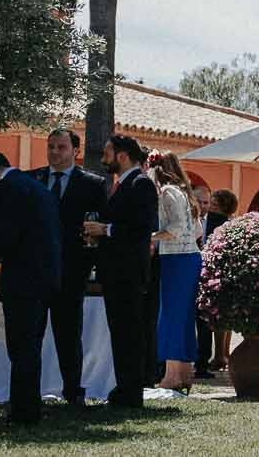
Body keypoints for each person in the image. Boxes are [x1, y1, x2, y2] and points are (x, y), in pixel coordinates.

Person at [29, 126, 108, 410]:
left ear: (75, 151)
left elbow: (98, 228)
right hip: (35, 273)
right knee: (30, 336)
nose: (54, 152)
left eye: (61, 147)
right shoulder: (32, 180)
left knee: (68, 335)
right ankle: (27, 394)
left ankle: (73, 392)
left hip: (71, 273)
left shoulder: (93, 184)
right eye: (51, 146)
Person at [83, 135, 159, 409]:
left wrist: (106, 230)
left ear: (123, 156)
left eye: (107, 153)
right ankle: (124, 387)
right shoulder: (121, 185)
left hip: (129, 272)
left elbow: (142, 227)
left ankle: (131, 392)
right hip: (115, 271)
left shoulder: (141, 184)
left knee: (130, 333)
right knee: (120, 332)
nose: (103, 158)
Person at [0, 151, 62, 426]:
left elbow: (4, 235)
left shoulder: (7, 189)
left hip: (22, 278)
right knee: (31, 346)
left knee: (20, 347)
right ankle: (28, 406)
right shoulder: (36, 187)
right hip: (44, 277)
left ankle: (23, 412)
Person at [147, 150, 200, 398]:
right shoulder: (185, 192)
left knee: (169, 316)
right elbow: (196, 229)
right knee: (184, 316)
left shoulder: (167, 192)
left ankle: (170, 376)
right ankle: (185, 373)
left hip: (175, 258)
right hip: (190, 257)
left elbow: (175, 228)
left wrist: (150, 237)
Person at [201, 189, 238, 377]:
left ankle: (221, 354)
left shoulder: (219, 222)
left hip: (217, 272)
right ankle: (221, 354)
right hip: (218, 271)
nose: (211, 208)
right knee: (221, 317)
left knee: (219, 317)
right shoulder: (227, 223)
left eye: (215, 205)